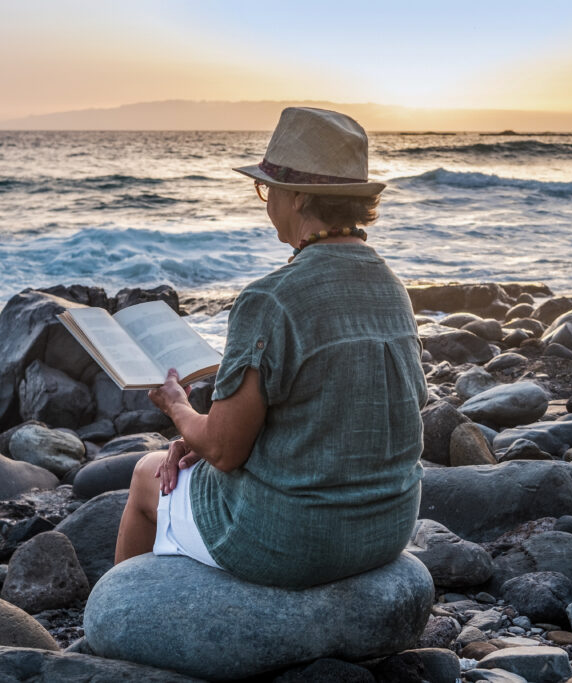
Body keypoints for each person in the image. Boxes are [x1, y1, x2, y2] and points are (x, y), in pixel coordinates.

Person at [113, 107, 428, 588]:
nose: (266, 203)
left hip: (290, 540)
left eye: (268, 189)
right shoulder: (391, 285)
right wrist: (202, 439)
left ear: (298, 197)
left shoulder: (270, 298)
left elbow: (223, 449)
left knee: (144, 475)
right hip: (387, 526)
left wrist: (179, 410)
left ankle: (121, 621)